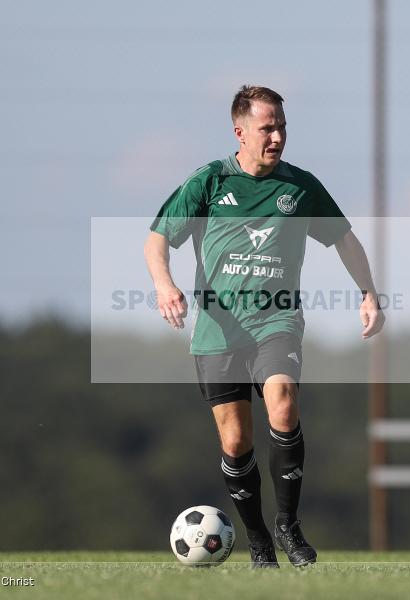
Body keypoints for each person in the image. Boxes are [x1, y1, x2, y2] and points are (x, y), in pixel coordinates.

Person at [144, 85, 383, 567]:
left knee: (283, 404)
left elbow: (345, 239)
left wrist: (369, 292)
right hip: (217, 330)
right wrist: (164, 285)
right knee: (236, 442)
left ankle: (288, 527)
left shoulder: (300, 186)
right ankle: (257, 542)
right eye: (267, 127)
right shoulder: (210, 182)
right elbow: (157, 239)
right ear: (240, 131)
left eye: (282, 127)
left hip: (277, 320)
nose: (277, 136)